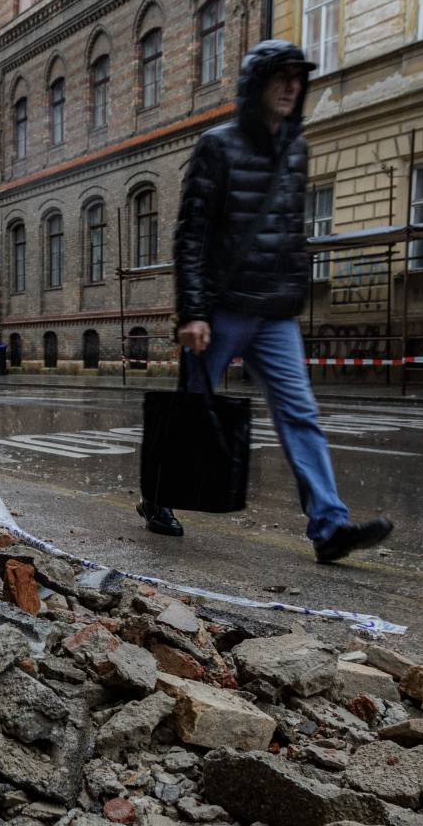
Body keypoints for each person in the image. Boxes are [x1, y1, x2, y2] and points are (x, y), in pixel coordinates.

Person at [137, 39, 394, 564]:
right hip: (222, 310)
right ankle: (158, 497)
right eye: (280, 77)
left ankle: (329, 527)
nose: (291, 87)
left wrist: (295, 287)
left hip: (275, 312)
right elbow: (191, 235)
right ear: (257, 85)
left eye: (298, 79)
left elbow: (292, 231)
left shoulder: (296, 149)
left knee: (300, 414)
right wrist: (193, 311)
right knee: (192, 410)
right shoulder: (217, 146)